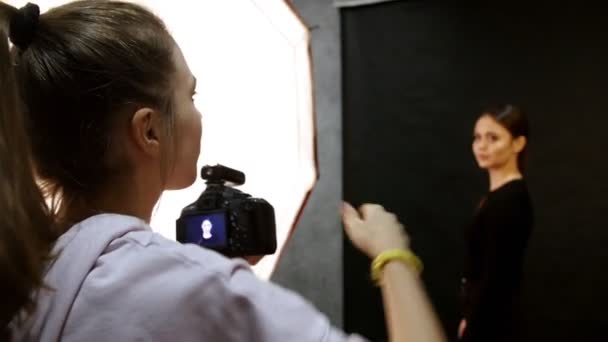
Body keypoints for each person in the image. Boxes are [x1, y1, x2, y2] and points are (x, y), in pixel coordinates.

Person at [0, 1, 446, 341]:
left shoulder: (26, 279)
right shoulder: (186, 287)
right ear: (149, 130)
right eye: (190, 96)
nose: (198, 115)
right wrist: (392, 257)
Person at [459, 104, 534, 341]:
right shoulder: (499, 197)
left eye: (493, 138)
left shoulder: (510, 201)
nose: (482, 145)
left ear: (518, 144)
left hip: (493, 322)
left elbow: (496, 276)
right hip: (485, 315)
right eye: (477, 138)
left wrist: (474, 324)